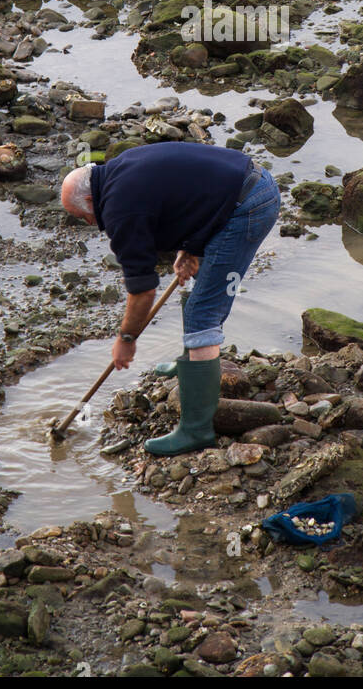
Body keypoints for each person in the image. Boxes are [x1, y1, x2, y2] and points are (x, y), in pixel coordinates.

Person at [60, 143, 280, 455]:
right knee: (196, 298)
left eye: (83, 216)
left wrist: (126, 338)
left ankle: (196, 430)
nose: (88, 224)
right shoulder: (120, 170)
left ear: (90, 199)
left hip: (249, 206)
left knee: (203, 314)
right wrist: (190, 247)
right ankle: (193, 365)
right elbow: (185, 194)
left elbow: (143, 290)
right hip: (241, 187)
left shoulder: (120, 209)